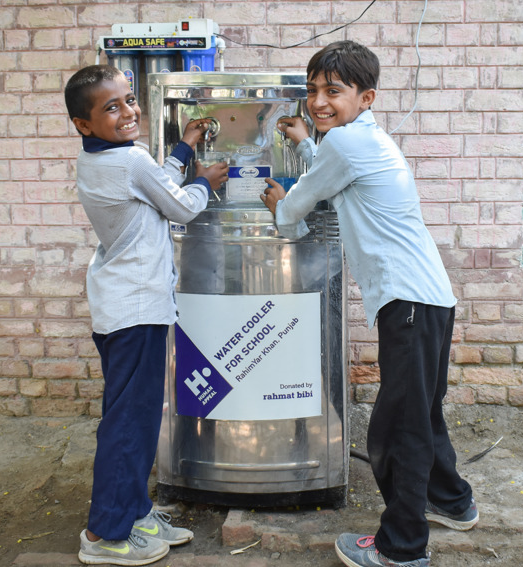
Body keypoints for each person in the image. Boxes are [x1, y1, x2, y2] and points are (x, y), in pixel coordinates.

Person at [260, 41, 477, 567]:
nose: (318, 102)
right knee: (421, 412)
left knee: (398, 427)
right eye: (313, 91)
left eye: (333, 91)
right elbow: (333, 174)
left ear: (366, 97)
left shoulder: (344, 143)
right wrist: (306, 145)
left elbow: (298, 205)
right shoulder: (362, 139)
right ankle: (452, 502)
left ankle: (402, 548)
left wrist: (279, 207)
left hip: (407, 301)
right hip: (429, 298)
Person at [63, 64, 228, 566]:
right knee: (129, 424)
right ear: (84, 123)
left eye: (130, 100)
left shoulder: (101, 159)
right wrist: (204, 181)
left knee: (133, 417)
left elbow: (154, 186)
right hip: (135, 309)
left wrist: (185, 147)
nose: (128, 112)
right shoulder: (130, 160)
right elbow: (179, 206)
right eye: (111, 107)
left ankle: (135, 513)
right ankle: (105, 534)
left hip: (121, 305)